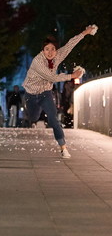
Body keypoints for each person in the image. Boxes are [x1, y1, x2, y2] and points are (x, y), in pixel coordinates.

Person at [22, 25, 96, 159]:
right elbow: (51, 77)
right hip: (31, 95)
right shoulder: (37, 61)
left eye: (53, 49)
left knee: (54, 120)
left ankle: (63, 148)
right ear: (42, 50)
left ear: (56, 50)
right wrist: (72, 76)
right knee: (33, 117)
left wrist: (85, 33)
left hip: (45, 93)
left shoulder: (57, 56)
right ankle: (34, 119)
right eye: (47, 49)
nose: (50, 53)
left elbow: (70, 44)